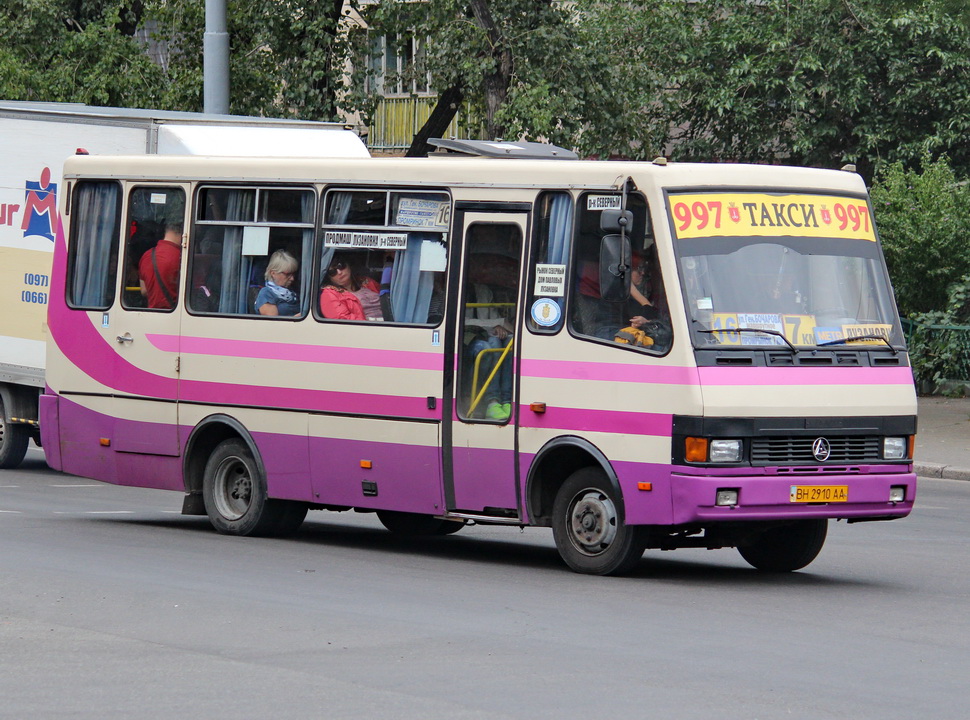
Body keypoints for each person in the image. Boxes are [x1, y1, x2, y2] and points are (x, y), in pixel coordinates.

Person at [465, 281, 514, 420]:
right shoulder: (453, 286)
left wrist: (497, 326)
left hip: (488, 335)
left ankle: (506, 400)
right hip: (467, 338)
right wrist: (495, 325)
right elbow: (461, 320)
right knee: (486, 348)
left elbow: (493, 316)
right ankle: (492, 401)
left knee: (509, 342)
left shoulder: (483, 289)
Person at [138, 223, 182, 310]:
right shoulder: (181, 257)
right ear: (181, 234)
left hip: (152, 314)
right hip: (175, 314)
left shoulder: (146, 255)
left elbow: (144, 291)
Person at [255, 250, 300, 316]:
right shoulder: (266, 294)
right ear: (273, 273)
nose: (292, 278)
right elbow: (273, 323)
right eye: (288, 274)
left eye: (293, 274)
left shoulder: (293, 292)